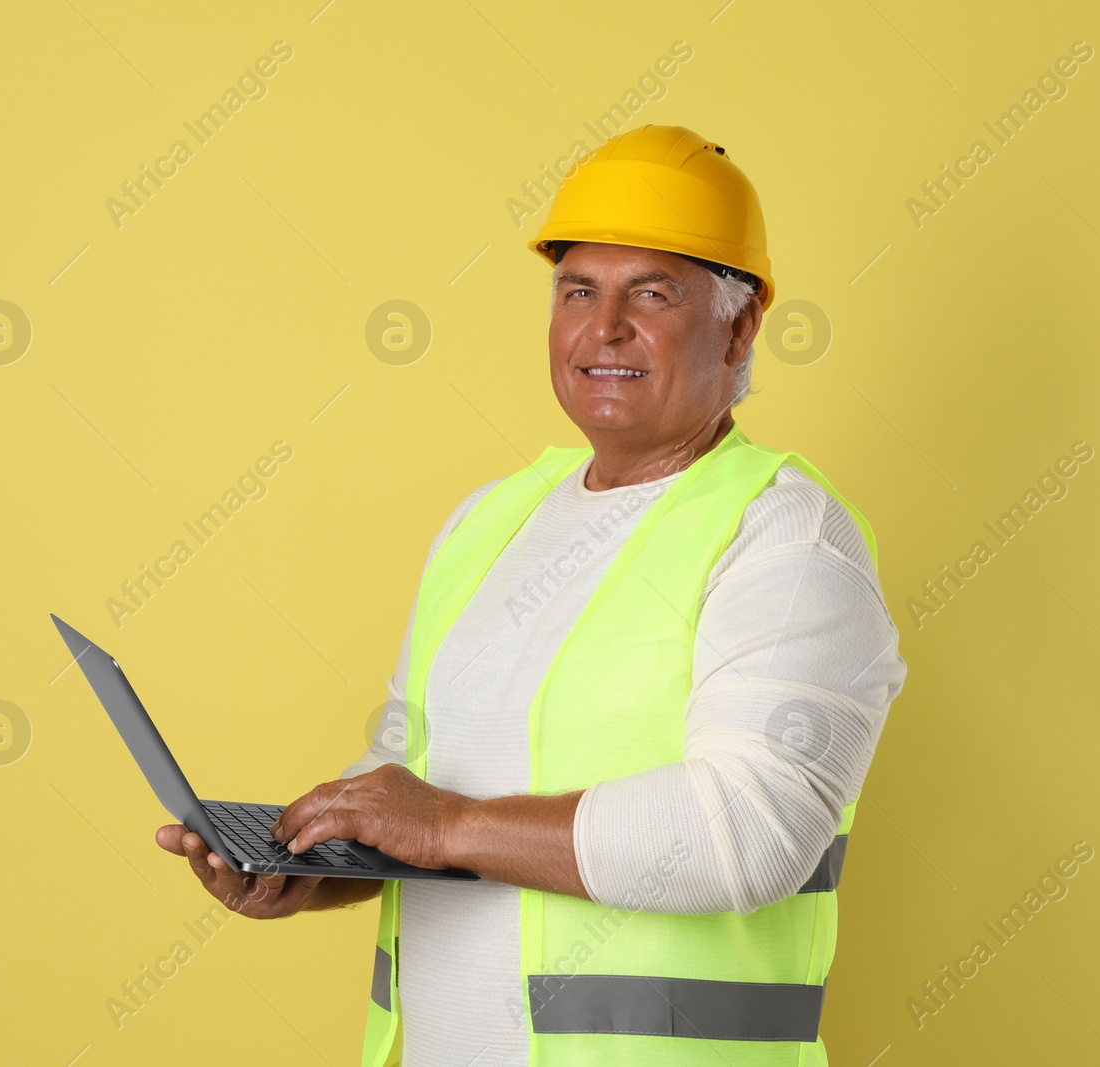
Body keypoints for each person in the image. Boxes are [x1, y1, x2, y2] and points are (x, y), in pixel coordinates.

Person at [156, 124, 906, 1067]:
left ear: (743, 322)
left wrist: (444, 825)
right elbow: (412, 782)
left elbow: (747, 833)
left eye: (653, 293)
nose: (605, 329)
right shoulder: (488, 522)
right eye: (577, 291)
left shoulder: (786, 537)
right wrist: (311, 863)